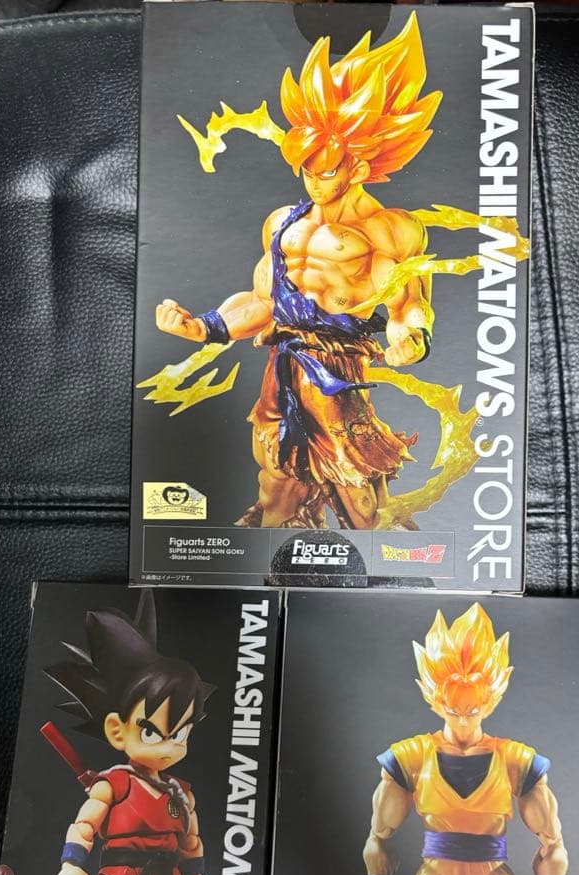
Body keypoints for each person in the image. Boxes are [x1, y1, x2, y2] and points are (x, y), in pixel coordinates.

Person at [155, 14, 440, 530]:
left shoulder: (388, 230)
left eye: (325, 169)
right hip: (283, 364)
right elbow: (264, 301)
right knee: (276, 479)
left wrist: (410, 340)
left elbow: (407, 304)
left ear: (358, 166)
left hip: (336, 369)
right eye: (306, 168)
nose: (313, 181)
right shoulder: (283, 223)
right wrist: (204, 327)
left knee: (359, 489)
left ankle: (389, 567)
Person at [364, 603, 568, 875]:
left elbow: (552, 843)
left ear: (490, 698)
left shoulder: (515, 759)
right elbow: (378, 837)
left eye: (471, 708)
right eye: (452, 707)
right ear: (434, 697)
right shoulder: (411, 756)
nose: (461, 718)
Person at [40, 592, 214, 875]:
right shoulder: (114, 783)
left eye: (181, 733)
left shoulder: (180, 792)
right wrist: (71, 865)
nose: (169, 745)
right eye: (154, 731)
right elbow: (84, 826)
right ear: (118, 731)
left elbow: (190, 840)